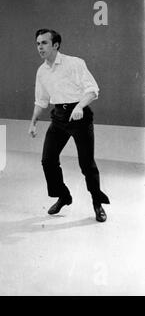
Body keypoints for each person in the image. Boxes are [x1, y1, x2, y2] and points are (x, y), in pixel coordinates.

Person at [28, 29, 110, 222]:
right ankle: (63, 196)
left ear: (56, 45)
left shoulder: (74, 63)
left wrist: (80, 106)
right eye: (38, 43)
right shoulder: (42, 71)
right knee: (48, 160)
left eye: (44, 43)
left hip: (79, 116)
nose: (40, 47)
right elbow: (41, 100)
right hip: (59, 116)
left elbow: (93, 90)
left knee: (86, 164)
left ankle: (97, 203)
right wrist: (32, 123)